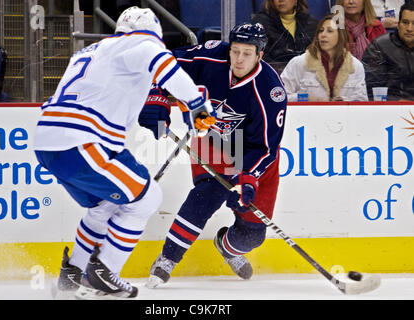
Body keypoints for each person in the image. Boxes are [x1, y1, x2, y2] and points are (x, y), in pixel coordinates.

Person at [33, 6, 216, 300]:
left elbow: (118, 90)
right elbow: (162, 65)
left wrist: (170, 105)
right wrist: (196, 103)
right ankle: (105, 271)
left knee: (105, 206)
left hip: (49, 142)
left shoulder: (94, 51)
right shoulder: (141, 43)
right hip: (84, 141)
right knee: (147, 198)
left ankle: (73, 274)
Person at [138, 22, 288, 288]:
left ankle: (228, 247)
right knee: (208, 193)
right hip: (214, 141)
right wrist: (157, 97)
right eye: (235, 51)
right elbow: (163, 63)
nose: (239, 59)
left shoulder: (270, 91)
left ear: (260, 55)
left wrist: (248, 178)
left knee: (253, 234)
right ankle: (167, 259)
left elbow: (265, 148)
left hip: (251, 153)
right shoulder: (210, 56)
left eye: (247, 53)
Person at [280, 14, 368, 101]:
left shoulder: (356, 66)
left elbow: (362, 101)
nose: (323, 35)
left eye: (330, 31)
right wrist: (305, 98)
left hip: (343, 115)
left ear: (341, 35)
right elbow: (279, 96)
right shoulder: (299, 63)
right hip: (308, 114)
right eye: (321, 31)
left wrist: (343, 102)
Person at [362, 1, 414, 100]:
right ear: (398, 24)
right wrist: (397, 102)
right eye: (405, 22)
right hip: (389, 109)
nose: (409, 28)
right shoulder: (379, 47)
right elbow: (371, 89)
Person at [251, 0, 318, 74]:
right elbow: (260, 58)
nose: (280, 0)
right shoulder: (261, 23)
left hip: (306, 76)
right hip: (274, 76)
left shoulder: (312, 24)